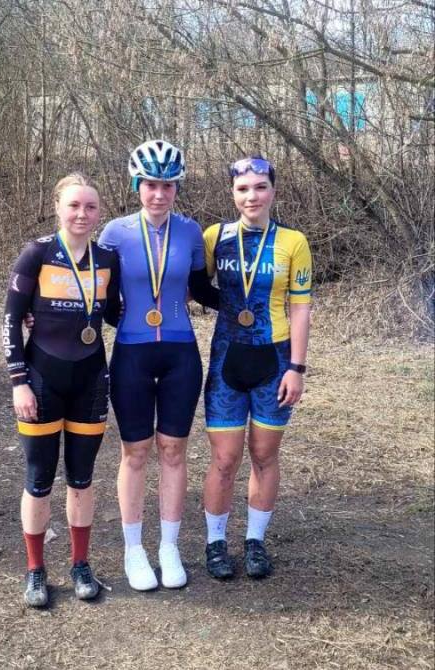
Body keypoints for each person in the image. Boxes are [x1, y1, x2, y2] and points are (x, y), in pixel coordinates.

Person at [98, 140, 218, 591]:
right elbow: (101, 298)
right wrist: (40, 313)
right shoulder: (114, 232)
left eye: (168, 186)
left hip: (180, 354)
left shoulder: (190, 232)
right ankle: (134, 549)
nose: (159, 194)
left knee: (173, 449)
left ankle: (169, 546)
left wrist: (253, 303)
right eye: (150, 184)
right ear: (137, 185)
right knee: (135, 451)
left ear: (177, 189)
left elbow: (201, 291)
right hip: (131, 352)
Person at [3, 173, 120, 607]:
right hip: (40, 379)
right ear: (58, 207)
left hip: (90, 380)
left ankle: (80, 564)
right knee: (38, 479)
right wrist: (19, 382)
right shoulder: (36, 253)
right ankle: (35, 570)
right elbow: (10, 319)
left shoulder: (107, 258)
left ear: (99, 211)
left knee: (82, 478)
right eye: (74, 205)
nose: (82, 214)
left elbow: (114, 313)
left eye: (90, 206)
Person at [202, 156, 312, 580]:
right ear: (232, 193)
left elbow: (300, 308)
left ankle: (254, 541)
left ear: (273, 191)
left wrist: (297, 367)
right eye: (243, 188)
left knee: (264, 455)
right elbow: (188, 285)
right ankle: (215, 543)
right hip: (226, 360)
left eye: (261, 187)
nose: (252, 196)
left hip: (275, 361)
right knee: (224, 458)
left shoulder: (293, 241)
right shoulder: (215, 237)